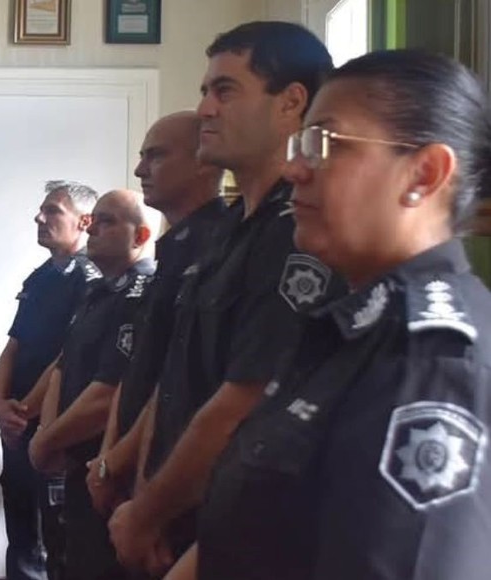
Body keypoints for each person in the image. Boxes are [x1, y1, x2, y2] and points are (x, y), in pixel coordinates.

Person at [166, 49, 491, 580]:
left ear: (424, 174)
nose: (295, 168)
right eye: (300, 145)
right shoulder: (348, 325)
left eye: (323, 144)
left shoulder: (432, 365)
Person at [108, 21, 342, 575]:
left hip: (240, 534)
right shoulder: (227, 229)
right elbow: (176, 384)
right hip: (182, 518)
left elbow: (245, 401)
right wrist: (145, 497)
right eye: (204, 91)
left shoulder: (296, 231)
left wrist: (146, 512)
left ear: (291, 104)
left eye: (225, 90)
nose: (206, 109)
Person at [85, 112, 228, 517]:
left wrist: (123, 467)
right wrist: (109, 457)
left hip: (177, 479)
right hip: (134, 468)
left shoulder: (218, 244)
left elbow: (178, 381)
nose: (139, 169)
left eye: (156, 156)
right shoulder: (172, 250)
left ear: (203, 159)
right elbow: (137, 373)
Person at [30, 189, 158, 580]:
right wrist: (46, 434)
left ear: (140, 236)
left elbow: (108, 394)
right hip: (74, 462)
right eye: (94, 219)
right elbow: (62, 369)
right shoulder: (96, 291)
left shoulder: (145, 293)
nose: (93, 228)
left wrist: (48, 441)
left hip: (110, 470)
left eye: (107, 221)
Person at [0, 180, 99, 580]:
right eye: (41, 210)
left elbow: (68, 356)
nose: (40, 217)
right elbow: (13, 346)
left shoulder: (90, 277)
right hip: (18, 425)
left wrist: (24, 409)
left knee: (56, 539)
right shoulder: (40, 277)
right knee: (21, 533)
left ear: (84, 221)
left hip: (54, 425)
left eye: (52, 210)